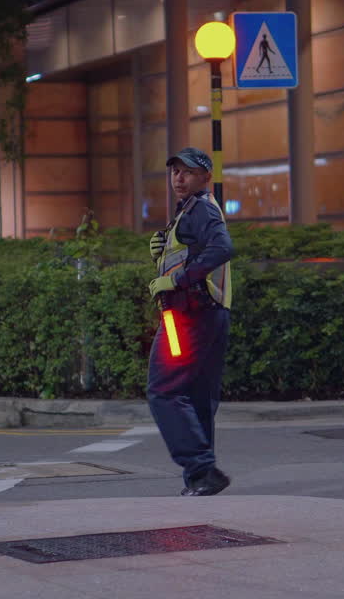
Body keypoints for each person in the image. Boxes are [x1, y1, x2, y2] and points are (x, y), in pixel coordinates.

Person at [147, 147, 234, 497]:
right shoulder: (191, 212)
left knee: (164, 391)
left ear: (205, 177)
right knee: (198, 397)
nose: (178, 178)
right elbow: (199, 251)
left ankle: (200, 469)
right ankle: (201, 478)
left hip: (186, 315)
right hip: (210, 312)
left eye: (188, 172)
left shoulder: (200, 209)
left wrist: (176, 279)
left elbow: (222, 248)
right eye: (174, 172)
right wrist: (164, 249)